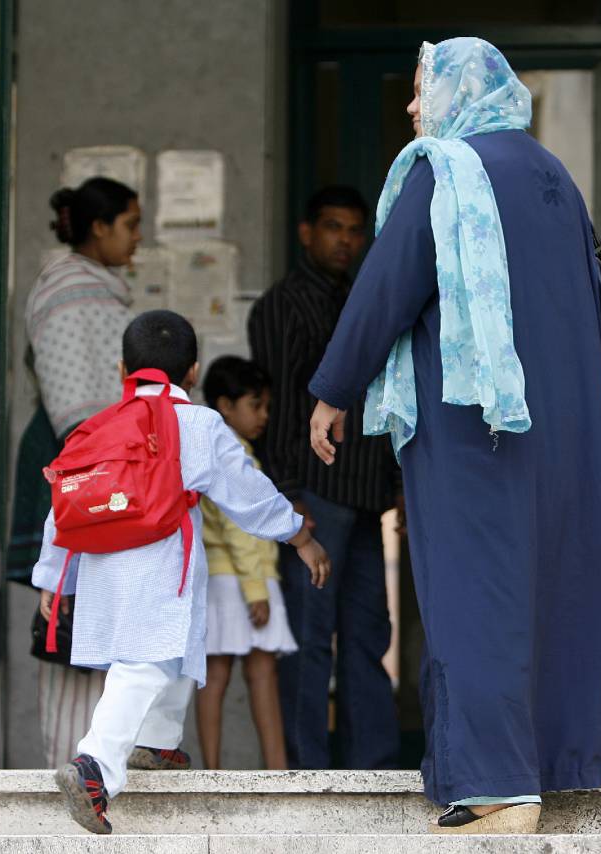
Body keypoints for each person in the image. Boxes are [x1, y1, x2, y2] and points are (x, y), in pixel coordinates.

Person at [305, 37, 601, 833]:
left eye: (421, 89)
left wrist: (335, 389)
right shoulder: (555, 176)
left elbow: (386, 285)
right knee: (551, 585)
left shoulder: (446, 169)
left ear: (461, 91)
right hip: (567, 426)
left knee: (474, 589)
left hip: (475, 422)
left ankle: (501, 788)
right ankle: (545, 767)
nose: (413, 107)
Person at [34, 310, 330, 834]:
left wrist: (54, 579)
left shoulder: (96, 427)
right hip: (160, 563)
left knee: (168, 655)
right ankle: (95, 765)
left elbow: (62, 507)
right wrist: (299, 535)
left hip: (103, 568)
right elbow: (247, 494)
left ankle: (157, 743)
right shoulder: (196, 423)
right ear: (192, 373)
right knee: (146, 662)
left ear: (123, 367)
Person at [248, 186, 401, 770]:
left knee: (368, 639)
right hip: (311, 496)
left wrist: (394, 487)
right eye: (333, 227)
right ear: (306, 232)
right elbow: (280, 406)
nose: (345, 240)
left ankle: (377, 773)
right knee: (310, 643)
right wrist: (287, 497)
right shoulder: (283, 305)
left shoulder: (362, 299)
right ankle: (306, 775)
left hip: (364, 498)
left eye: (355, 229)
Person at [18, 176, 142, 769]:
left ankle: (95, 766)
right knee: (65, 619)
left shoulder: (105, 289)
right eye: (131, 225)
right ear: (100, 226)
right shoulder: (66, 287)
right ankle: (66, 766)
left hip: (103, 471)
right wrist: (96, 475)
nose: (137, 238)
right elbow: (74, 402)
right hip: (78, 473)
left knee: (101, 623)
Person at [195, 356, 299, 770]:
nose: (264, 416)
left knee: (217, 677)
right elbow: (240, 530)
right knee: (259, 677)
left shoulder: (226, 450)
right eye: (255, 405)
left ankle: (213, 771)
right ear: (225, 405)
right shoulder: (232, 455)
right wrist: (256, 589)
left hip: (230, 580)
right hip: (240, 580)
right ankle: (277, 771)